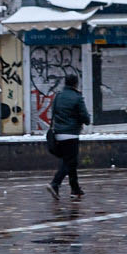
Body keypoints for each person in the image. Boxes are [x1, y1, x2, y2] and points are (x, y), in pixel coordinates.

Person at [48, 72, 91, 201]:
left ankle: (75, 189)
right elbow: (84, 115)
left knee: (70, 161)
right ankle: (55, 184)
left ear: (65, 82)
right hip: (71, 134)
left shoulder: (58, 96)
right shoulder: (77, 97)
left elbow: (53, 113)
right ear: (76, 83)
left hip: (59, 134)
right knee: (70, 162)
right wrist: (85, 121)